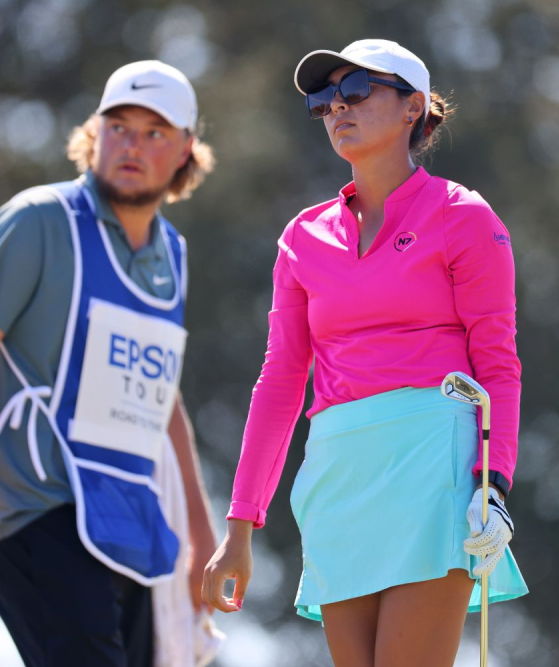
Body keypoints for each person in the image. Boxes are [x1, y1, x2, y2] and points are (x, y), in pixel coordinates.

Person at [202, 39, 529, 666]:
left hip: (435, 461)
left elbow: (499, 363)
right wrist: (241, 525)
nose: (336, 110)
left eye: (356, 93)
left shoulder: (463, 216)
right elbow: (279, 381)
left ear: (413, 108)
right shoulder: (302, 236)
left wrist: (493, 484)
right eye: (324, 100)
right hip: (338, 470)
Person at [0, 60, 222, 667]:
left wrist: (200, 533)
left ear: (187, 150)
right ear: (96, 133)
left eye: (155, 132)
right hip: (38, 513)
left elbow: (162, 398)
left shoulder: (174, 256)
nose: (132, 145)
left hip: (129, 529)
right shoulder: (38, 221)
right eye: (119, 127)